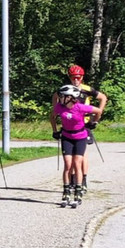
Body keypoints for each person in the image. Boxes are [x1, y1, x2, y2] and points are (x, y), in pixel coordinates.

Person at [54, 65, 107, 193]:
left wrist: (96, 119)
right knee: (70, 158)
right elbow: (55, 101)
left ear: (82, 77)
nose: (76, 80)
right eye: (73, 78)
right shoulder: (65, 90)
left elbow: (103, 98)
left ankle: (83, 180)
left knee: (82, 155)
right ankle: (72, 180)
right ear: (70, 77)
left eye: (78, 78)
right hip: (69, 124)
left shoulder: (87, 89)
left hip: (85, 124)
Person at [51, 84, 104, 206]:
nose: (60, 98)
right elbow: (52, 116)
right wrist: (54, 131)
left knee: (77, 163)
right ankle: (66, 192)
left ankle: (78, 191)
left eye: (62, 96)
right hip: (66, 137)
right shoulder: (59, 107)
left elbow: (98, 111)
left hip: (80, 137)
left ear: (70, 97)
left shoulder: (80, 107)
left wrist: (94, 122)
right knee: (68, 165)